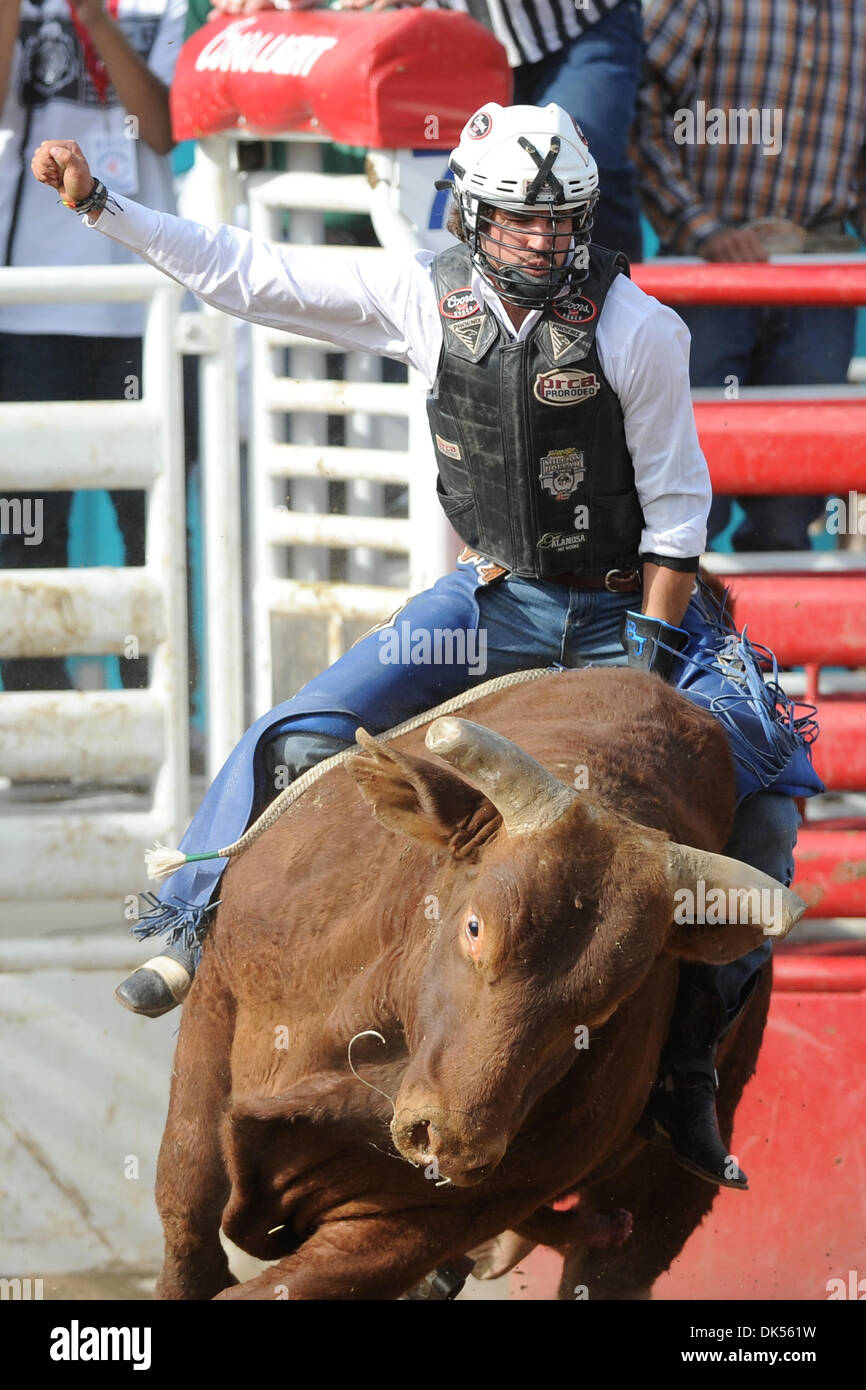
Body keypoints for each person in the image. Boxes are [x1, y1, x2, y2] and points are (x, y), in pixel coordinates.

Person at [33, 103, 821, 1189]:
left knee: (768, 811)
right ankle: (188, 919)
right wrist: (108, 208)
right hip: (494, 595)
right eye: (519, 222)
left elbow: (678, 518)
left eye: (562, 223)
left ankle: (684, 1072)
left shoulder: (639, 327)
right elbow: (249, 273)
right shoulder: (421, 290)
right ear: (475, 214)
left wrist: (633, 675)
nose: (543, 242)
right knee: (296, 727)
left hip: (637, 607)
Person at [0, 0, 186, 694]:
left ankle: (160, 713)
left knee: (155, 528)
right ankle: (41, 724)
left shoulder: (164, 5)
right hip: (32, 306)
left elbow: (163, 131)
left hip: (148, 307)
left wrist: (98, 20)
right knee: (27, 528)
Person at [635, 0, 866, 551]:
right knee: (686, 489)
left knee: (794, 499)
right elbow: (636, 100)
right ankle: (682, 631)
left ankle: (773, 633)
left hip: (817, 269)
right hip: (706, 272)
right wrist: (700, 228)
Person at [207, 0, 644, 263]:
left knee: (576, 170)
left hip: (571, 23)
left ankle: (612, 350)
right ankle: (483, 364)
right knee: (451, 199)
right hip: (440, 31)